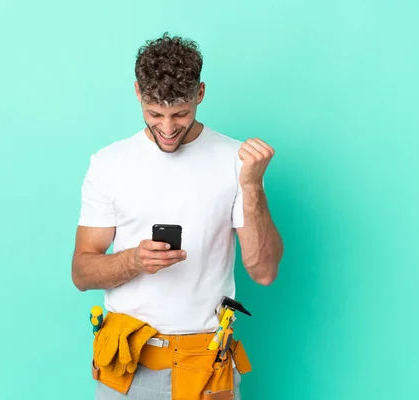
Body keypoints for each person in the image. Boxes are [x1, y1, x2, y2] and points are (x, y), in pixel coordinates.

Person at [71, 32, 284, 400]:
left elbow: (263, 272)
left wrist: (251, 187)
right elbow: (81, 273)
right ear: (138, 93)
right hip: (127, 364)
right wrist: (133, 260)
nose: (168, 129)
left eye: (180, 114)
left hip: (204, 367)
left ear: (200, 94)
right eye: (155, 114)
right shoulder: (108, 164)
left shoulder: (236, 160)